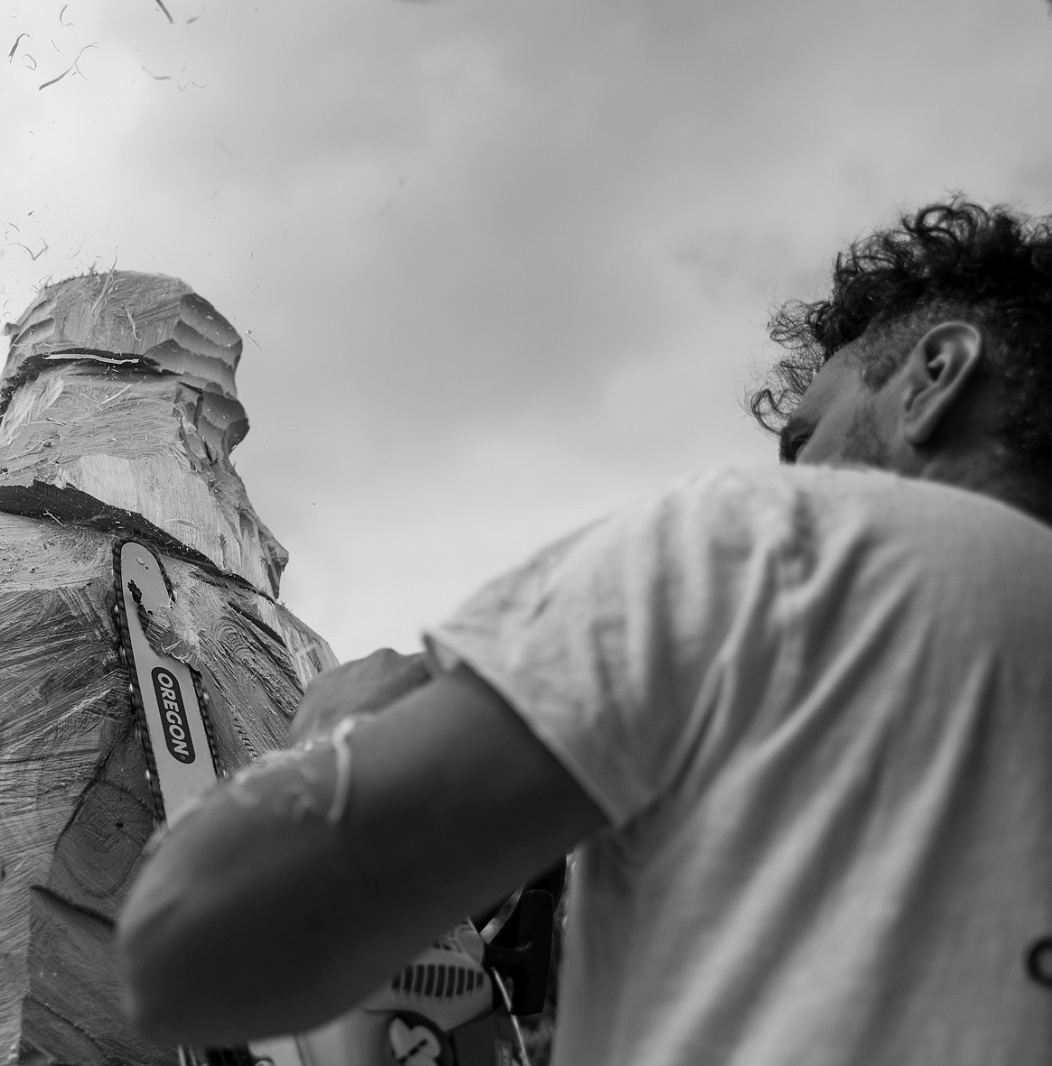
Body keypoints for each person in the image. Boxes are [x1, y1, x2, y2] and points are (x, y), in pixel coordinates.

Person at [114, 196, 1052, 1065]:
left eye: (805, 442)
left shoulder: (781, 548)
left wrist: (339, 734)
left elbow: (190, 945)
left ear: (935, 374)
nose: (796, 478)